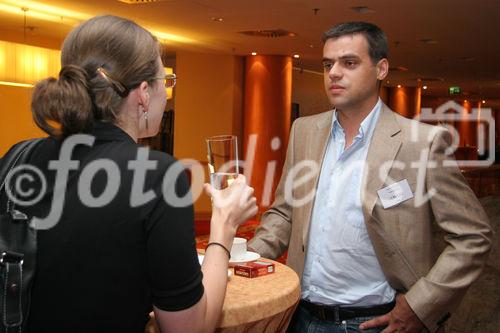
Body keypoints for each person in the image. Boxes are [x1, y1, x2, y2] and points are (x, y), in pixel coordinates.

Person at [1, 15, 257, 333]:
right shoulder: (157, 177)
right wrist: (223, 229)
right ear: (145, 93)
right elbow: (189, 328)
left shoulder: (17, 156)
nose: (167, 94)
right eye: (167, 81)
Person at [248, 22, 492, 333]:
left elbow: (473, 237)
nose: (334, 72)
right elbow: (285, 212)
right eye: (328, 64)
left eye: (349, 63)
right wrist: (246, 258)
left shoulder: (422, 143)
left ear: (381, 69)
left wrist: (421, 305)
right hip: (301, 316)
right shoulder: (304, 131)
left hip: (377, 322)